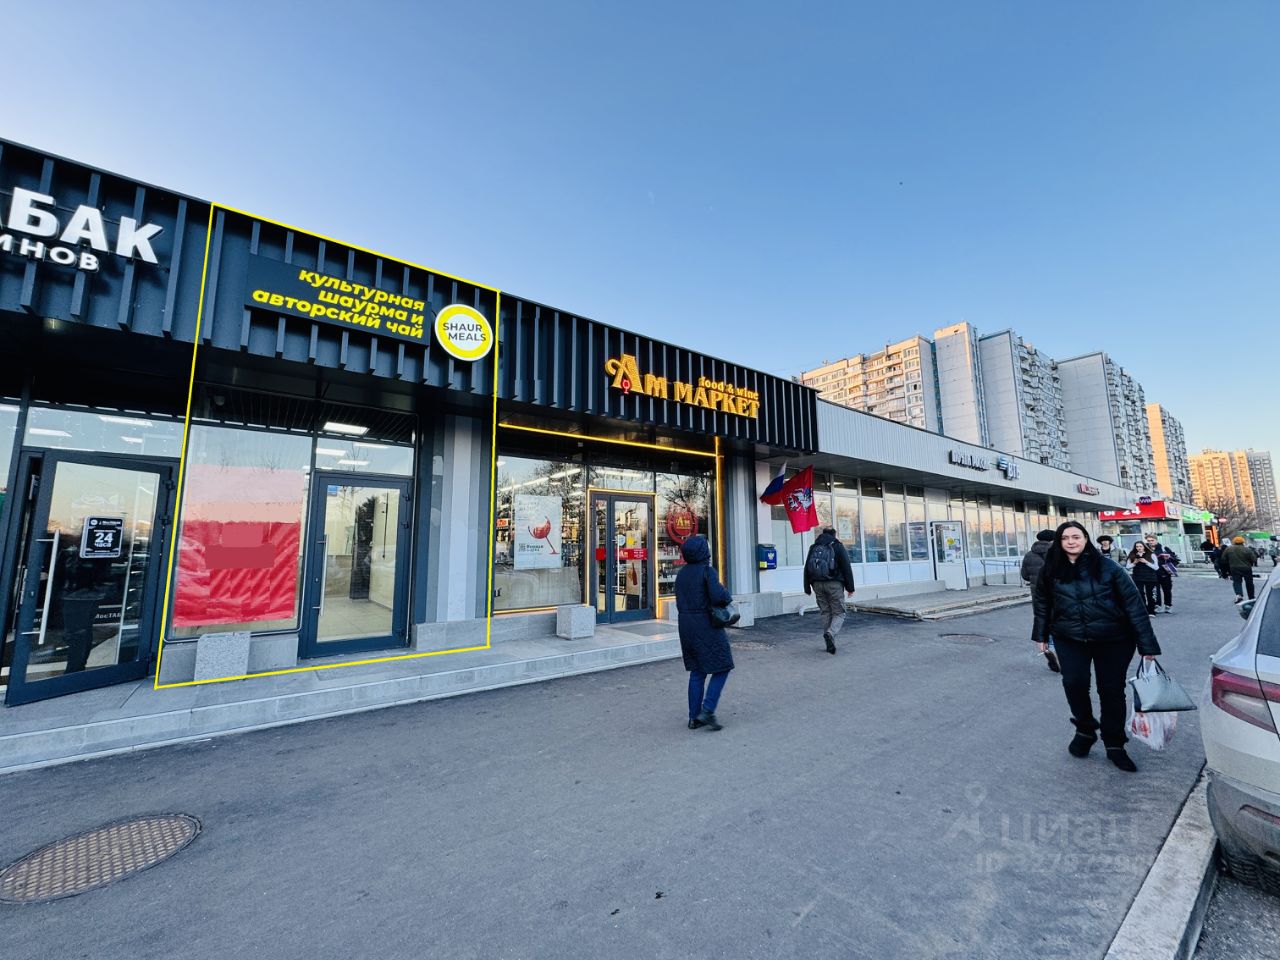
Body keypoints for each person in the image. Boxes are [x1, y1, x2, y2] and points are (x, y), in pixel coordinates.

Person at [1032, 521, 1161, 772]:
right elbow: (1042, 604)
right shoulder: (1051, 569)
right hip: (1070, 637)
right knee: (1074, 683)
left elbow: (1134, 605)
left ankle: (1115, 744)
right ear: (1059, 542)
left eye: (1076, 537)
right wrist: (1041, 635)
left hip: (1114, 639)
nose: (1071, 542)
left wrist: (1147, 645)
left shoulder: (1108, 567)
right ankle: (1085, 729)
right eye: (1065, 538)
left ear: (1085, 539)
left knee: (1111, 690)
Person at [674, 535, 734, 731]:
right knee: (723, 666)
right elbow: (718, 596)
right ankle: (707, 710)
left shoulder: (681, 574)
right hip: (706, 624)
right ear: (703, 552)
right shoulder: (707, 571)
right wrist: (726, 594)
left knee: (697, 671)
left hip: (686, 625)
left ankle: (694, 718)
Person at [802, 525, 856, 655]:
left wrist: (807, 587)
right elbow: (846, 567)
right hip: (834, 584)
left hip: (817, 584)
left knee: (825, 612)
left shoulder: (814, 547)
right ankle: (830, 634)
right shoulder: (837, 546)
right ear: (834, 535)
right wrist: (850, 588)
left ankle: (829, 641)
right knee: (839, 613)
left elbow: (807, 567)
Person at [1021, 529, 1059, 672]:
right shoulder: (1058, 553)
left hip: (1038, 595)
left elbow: (1025, 575)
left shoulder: (1029, 555)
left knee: (1044, 621)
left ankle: (1049, 648)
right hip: (1057, 594)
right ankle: (1058, 649)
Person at [1144, 534, 1180, 615]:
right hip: (1152, 573)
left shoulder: (1164, 548)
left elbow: (1174, 558)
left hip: (1164, 572)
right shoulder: (1145, 549)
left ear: (1156, 540)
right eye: (1148, 541)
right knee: (1155, 590)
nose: (1150, 542)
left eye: (1152, 540)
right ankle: (1157, 605)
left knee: (1167, 590)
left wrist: (1168, 557)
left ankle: (1168, 605)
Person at [1127, 542, 1161, 615]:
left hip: (1150, 577)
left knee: (1150, 594)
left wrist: (1146, 562)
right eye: (1137, 546)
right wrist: (1134, 563)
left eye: (1140, 546)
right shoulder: (1132, 554)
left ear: (1144, 547)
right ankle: (1144, 610)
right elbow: (1127, 567)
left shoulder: (1151, 554)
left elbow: (1156, 567)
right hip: (1138, 577)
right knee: (1140, 593)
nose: (1139, 548)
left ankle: (1151, 611)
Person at [1223, 535, 1258, 604]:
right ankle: (1251, 597)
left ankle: (1239, 595)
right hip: (1246, 568)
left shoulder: (1228, 549)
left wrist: (1230, 563)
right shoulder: (1247, 549)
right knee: (1249, 583)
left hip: (1234, 568)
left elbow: (1224, 559)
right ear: (1243, 542)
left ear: (1234, 542)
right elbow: (1254, 559)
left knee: (1237, 582)